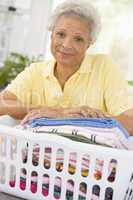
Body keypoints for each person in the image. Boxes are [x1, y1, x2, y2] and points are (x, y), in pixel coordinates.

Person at [0, 0, 133, 134]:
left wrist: (67, 118)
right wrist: (51, 111)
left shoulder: (104, 66)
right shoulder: (36, 71)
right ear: (51, 34)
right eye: (61, 34)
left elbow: (130, 121)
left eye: (78, 39)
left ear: (89, 43)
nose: (67, 45)